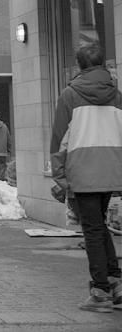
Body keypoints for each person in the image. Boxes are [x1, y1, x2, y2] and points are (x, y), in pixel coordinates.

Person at [50, 43, 122, 312]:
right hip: (111, 169)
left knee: (92, 229)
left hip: (82, 170)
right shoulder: (116, 95)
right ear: (102, 64)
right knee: (98, 226)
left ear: (79, 66)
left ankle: (100, 289)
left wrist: (59, 175)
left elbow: (59, 139)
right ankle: (115, 282)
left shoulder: (70, 95)